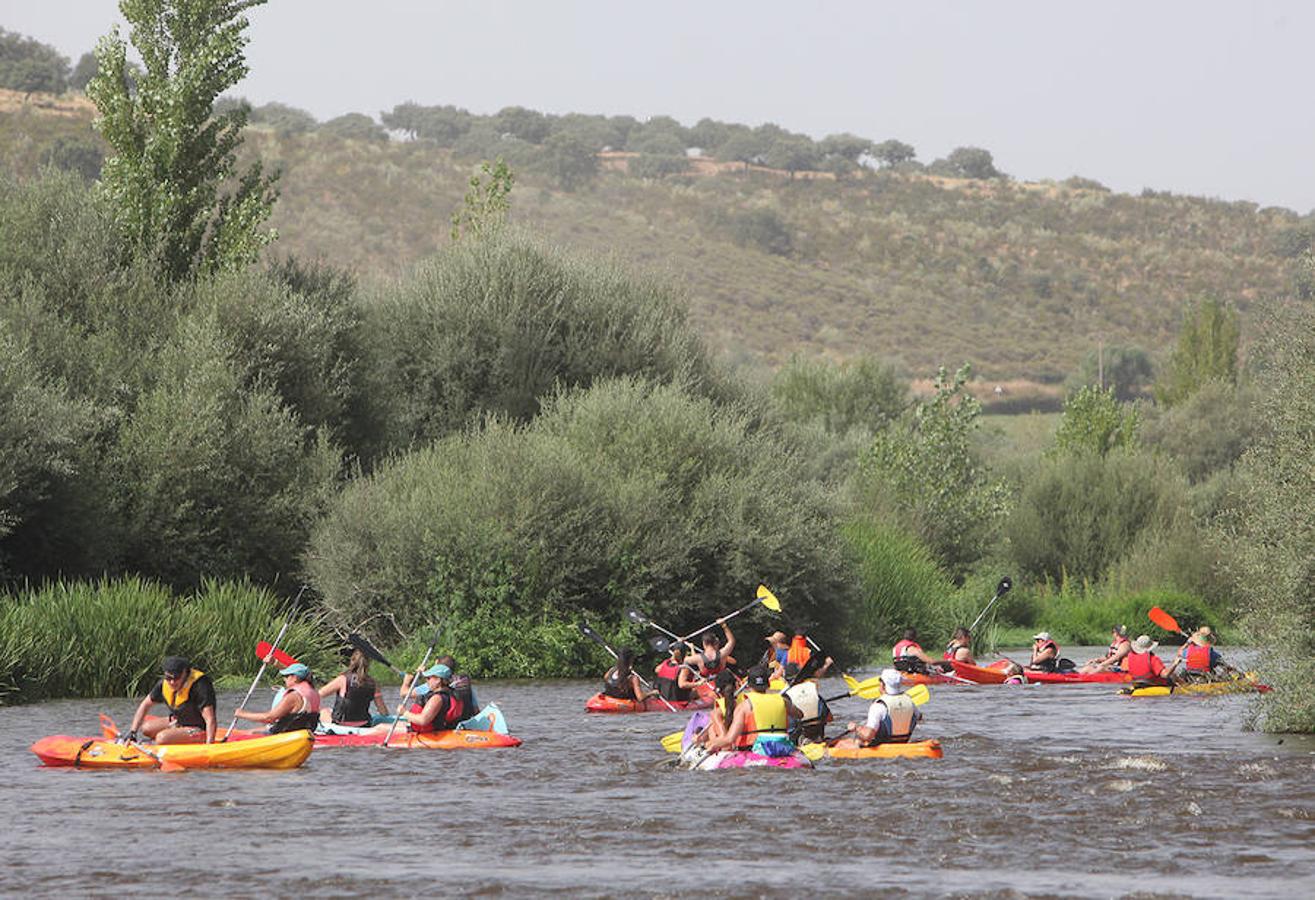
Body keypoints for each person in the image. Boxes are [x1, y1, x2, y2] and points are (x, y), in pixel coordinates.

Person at [705, 666, 800, 757]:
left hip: (756, 748)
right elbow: (800, 715)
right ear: (768, 684)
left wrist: (712, 744)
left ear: (749, 686)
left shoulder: (744, 706)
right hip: (783, 746)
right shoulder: (782, 700)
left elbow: (730, 739)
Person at [123, 655, 218, 745]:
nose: (172, 682)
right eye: (169, 678)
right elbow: (145, 705)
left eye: (176, 678)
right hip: (179, 722)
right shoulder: (163, 684)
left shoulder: (200, 685)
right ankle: (172, 736)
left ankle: (194, 738)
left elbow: (210, 719)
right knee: (146, 728)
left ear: (185, 673)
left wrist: (209, 746)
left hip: (198, 728)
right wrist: (133, 732)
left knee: (161, 738)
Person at [832, 669, 922, 749]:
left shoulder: (878, 705)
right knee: (855, 738)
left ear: (882, 685)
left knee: (839, 744)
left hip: (882, 746)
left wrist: (856, 728)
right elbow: (919, 717)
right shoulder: (910, 701)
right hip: (903, 743)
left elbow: (868, 736)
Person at [234, 662, 322, 733]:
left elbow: (269, 718)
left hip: (287, 735)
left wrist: (242, 714)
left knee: (251, 732)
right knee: (256, 730)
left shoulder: (294, 696)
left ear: (294, 678)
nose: (285, 679)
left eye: (287, 676)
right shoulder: (314, 692)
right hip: (305, 732)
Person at [318, 650, 389, 727]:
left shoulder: (343, 679)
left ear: (352, 662)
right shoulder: (373, 683)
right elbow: (383, 711)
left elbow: (318, 694)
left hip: (341, 724)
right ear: (368, 664)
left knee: (324, 711)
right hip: (364, 723)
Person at [400, 663, 468, 732]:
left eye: (429, 678)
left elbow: (423, 720)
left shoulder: (437, 698)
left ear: (438, 680)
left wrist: (404, 713)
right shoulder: (452, 693)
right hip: (444, 729)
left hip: (431, 733)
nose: (427, 681)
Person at [1165, 627, 1240, 681]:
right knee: (1224, 675)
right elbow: (1225, 667)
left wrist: (1187, 643)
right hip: (1205, 680)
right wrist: (1235, 671)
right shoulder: (1212, 653)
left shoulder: (1187, 651)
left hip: (1190, 679)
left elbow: (1179, 652)